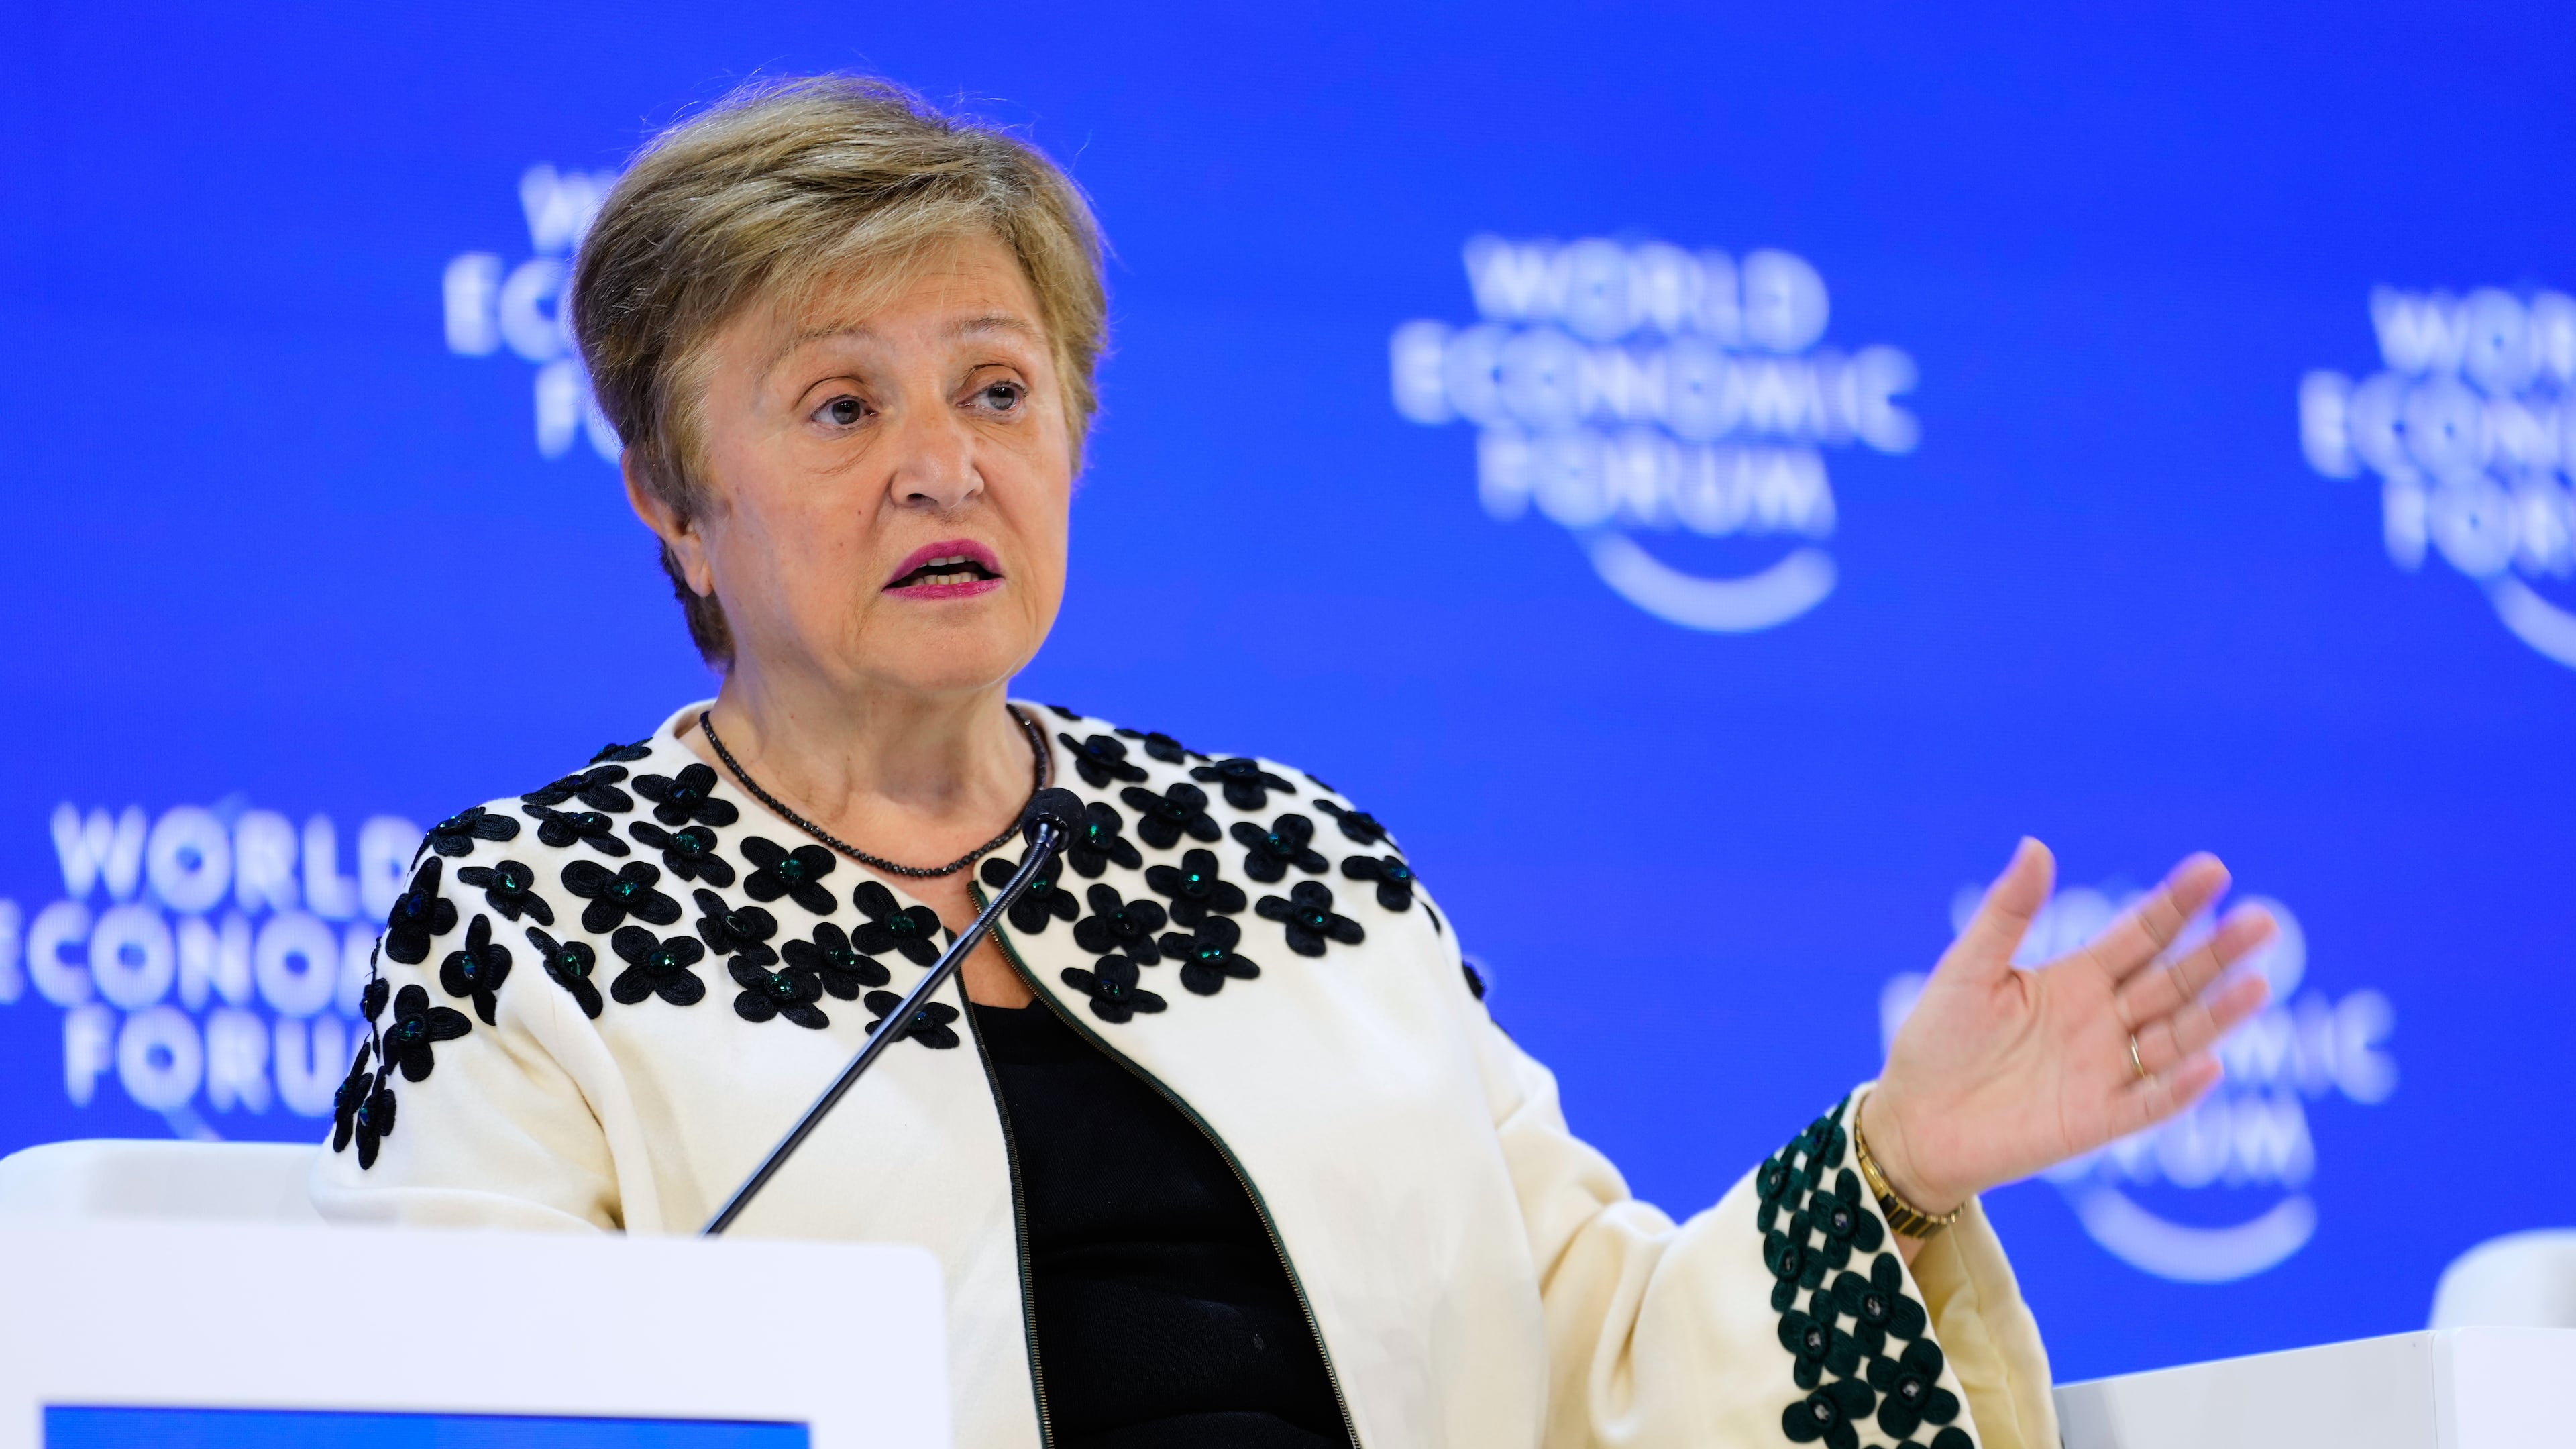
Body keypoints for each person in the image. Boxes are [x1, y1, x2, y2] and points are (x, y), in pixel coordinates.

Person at [311, 76, 2275, 1449]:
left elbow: (1597, 1373)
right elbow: (457, 1404)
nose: (943, 462)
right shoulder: (543, 919)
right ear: (675, 498)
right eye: (839, 404)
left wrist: (1899, 1172)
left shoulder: (1294, 871)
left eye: (1000, 388)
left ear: (1073, 440)